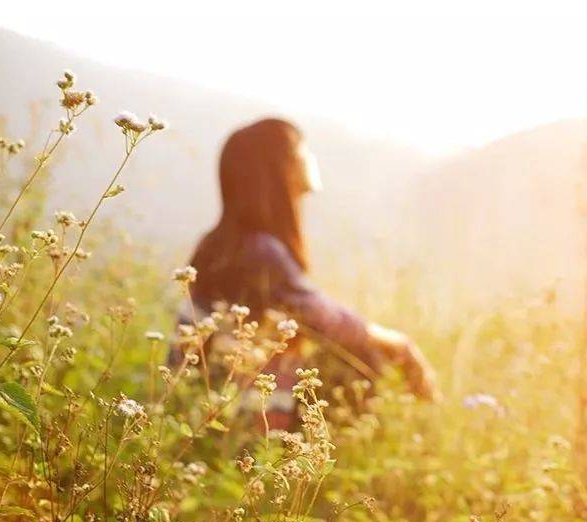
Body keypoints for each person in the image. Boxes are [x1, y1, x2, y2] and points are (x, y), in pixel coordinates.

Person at [184, 117, 437, 426]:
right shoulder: (261, 251)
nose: (309, 158)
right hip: (246, 419)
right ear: (281, 167)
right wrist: (402, 344)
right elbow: (328, 320)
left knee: (358, 352)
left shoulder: (221, 244)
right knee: (365, 357)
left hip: (203, 407)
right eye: (301, 149)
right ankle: (410, 437)